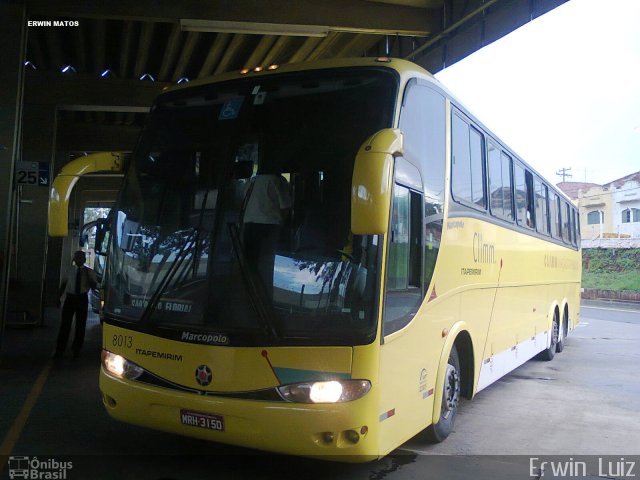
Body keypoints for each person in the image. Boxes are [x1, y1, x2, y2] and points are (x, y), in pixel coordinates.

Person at [242, 174, 291, 298]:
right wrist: (284, 225)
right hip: (270, 227)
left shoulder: (251, 181)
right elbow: (285, 207)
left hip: (249, 227)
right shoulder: (277, 180)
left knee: (250, 265)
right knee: (268, 266)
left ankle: (250, 294)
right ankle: (265, 296)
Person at [53, 250, 97, 359]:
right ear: (74, 259)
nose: (78, 260)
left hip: (82, 298)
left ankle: (76, 349)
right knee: (65, 324)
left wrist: (88, 277)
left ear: (84, 260)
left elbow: (94, 286)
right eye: (77, 258)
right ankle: (59, 350)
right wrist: (58, 298)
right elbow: (63, 284)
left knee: (80, 325)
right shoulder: (69, 270)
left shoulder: (89, 272)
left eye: (81, 258)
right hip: (70, 298)